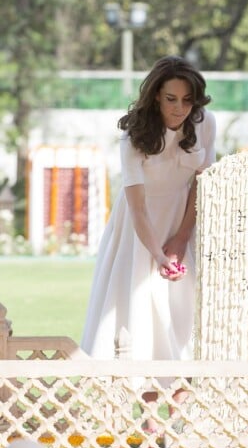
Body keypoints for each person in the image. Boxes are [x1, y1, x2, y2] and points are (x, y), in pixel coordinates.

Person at [81, 55, 216, 365]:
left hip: (184, 220)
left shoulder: (204, 122)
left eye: (187, 100)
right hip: (138, 228)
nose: (179, 108)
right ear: (156, 95)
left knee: (183, 314)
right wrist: (158, 256)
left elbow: (202, 184)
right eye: (171, 99)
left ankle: (180, 398)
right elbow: (138, 209)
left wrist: (182, 237)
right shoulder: (133, 136)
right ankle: (147, 407)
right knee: (139, 313)